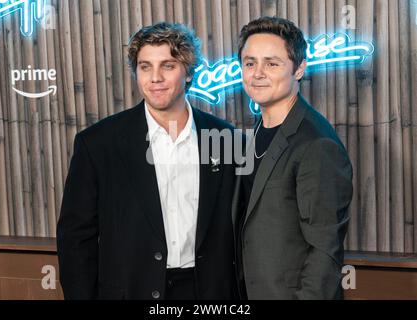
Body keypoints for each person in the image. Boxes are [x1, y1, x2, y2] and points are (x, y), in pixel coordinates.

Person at [57, 22, 238, 300]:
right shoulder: (97, 144)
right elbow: (75, 238)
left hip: (207, 292)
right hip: (131, 289)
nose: (155, 78)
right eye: (145, 67)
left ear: (188, 73)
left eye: (168, 66)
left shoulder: (224, 137)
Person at [232, 16, 353, 300]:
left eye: (272, 63)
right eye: (250, 63)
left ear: (298, 69)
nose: (257, 73)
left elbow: (325, 252)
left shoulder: (317, 143)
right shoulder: (258, 129)